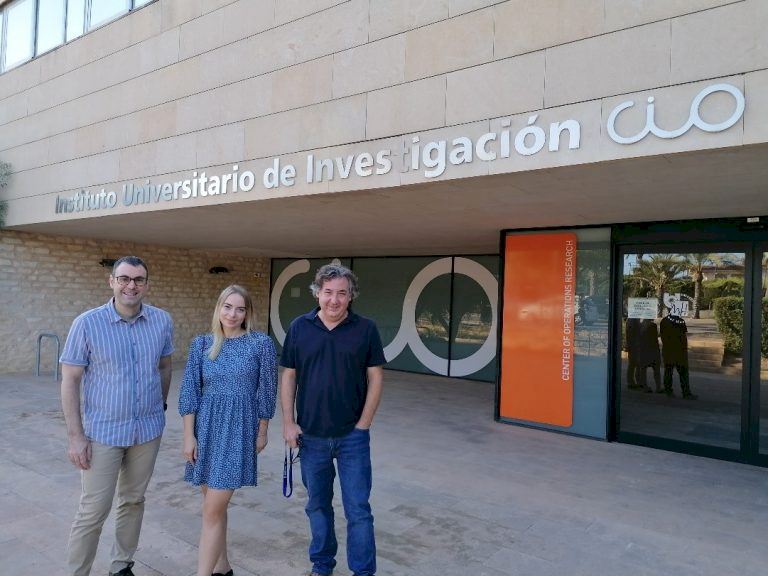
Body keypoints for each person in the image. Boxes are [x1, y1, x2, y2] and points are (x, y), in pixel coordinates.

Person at [60, 256, 174, 576]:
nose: (131, 285)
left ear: (146, 284)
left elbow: (165, 366)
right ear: (112, 281)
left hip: (147, 431)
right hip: (103, 434)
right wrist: (76, 436)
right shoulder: (87, 323)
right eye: (124, 278)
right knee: (93, 510)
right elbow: (70, 380)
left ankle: (121, 565)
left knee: (133, 500)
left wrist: (160, 406)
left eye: (138, 279)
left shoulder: (162, 321)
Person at [281, 263, 386, 576]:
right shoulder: (299, 327)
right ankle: (322, 565)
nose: (334, 300)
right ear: (317, 293)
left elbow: (376, 377)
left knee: (358, 510)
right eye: (328, 292)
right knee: (317, 505)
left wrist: (364, 425)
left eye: (342, 293)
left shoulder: (366, 329)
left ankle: (363, 572)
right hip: (311, 436)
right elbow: (289, 376)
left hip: (353, 437)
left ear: (351, 296)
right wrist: (288, 422)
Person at [179, 285, 277, 576]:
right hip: (206, 429)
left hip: (239, 430)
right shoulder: (202, 344)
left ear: (248, 313)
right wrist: (188, 436)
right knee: (214, 507)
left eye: (240, 309)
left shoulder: (260, 344)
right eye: (227, 307)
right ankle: (222, 567)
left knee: (211, 510)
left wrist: (262, 431)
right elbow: (189, 391)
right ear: (218, 308)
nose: (233, 314)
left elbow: (267, 391)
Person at [660, 311, 696, 399]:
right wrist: (684, 349)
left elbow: (662, 336)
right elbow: (683, 337)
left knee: (668, 371)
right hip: (679, 352)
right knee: (683, 373)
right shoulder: (680, 321)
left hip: (668, 351)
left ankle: (668, 390)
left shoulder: (664, 321)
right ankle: (686, 392)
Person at [636, 318, 662, 393]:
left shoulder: (640, 325)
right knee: (656, 370)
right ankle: (658, 387)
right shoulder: (653, 325)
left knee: (643, 369)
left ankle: (644, 386)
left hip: (644, 350)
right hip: (653, 349)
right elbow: (655, 338)